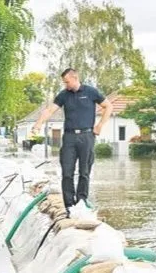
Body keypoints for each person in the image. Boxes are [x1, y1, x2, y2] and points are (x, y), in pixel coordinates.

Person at [31, 68, 113, 210]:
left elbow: (108, 106)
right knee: (67, 172)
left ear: (75, 78)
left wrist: (100, 125)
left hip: (87, 136)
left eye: (67, 82)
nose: (65, 85)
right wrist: (38, 124)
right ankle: (69, 205)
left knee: (84, 171)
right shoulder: (64, 95)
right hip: (69, 137)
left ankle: (81, 202)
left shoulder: (90, 92)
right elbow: (50, 110)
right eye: (64, 82)